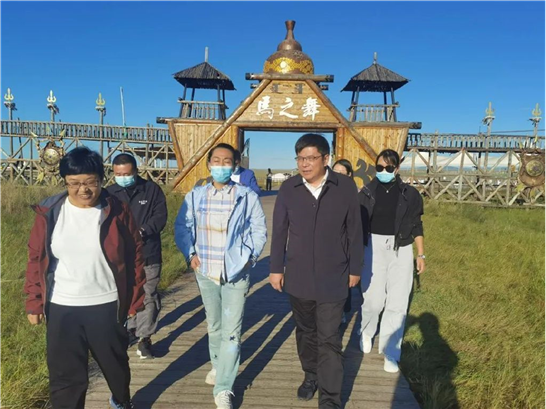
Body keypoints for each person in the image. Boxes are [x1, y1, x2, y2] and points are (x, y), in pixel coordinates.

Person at [24, 147, 146, 409]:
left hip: (106, 304)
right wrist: (34, 302)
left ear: (101, 179)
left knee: (116, 367)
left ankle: (121, 400)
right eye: (74, 183)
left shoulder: (117, 210)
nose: (83, 190)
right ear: (65, 182)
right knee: (65, 376)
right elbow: (36, 258)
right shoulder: (50, 212)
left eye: (91, 182)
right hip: (62, 306)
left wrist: (135, 299)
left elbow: (135, 255)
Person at [269, 134, 364, 409]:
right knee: (305, 331)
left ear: (326, 158)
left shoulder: (345, 187)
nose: (304, 164)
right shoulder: (289, 188)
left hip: (334, 275)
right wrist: (276, 268)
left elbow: (355, 230)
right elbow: (279, 231)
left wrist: (355, 268)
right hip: (298, 275)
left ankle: (330, 398)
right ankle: (311, 375)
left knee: (329, 338)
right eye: (300, 158)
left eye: (311, 158)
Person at [175, 143, 267, 409]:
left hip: (236, 272)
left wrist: (250, 257)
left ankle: (224, 387)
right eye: (216, 160)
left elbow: (259, 229)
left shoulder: (246, 196)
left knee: (232, 331)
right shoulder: (195, 196)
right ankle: (218, 365)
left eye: (227, 161)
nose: (221, 165)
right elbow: (182, 226)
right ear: (209, 164)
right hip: (205, 270)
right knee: (214, 325)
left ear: (235, 165)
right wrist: (189, 253)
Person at [358, 149, 426, 373]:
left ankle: (390, 351)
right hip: (372, 246)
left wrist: (421, 254)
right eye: (379, 167)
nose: (383, 171)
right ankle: (366, 331)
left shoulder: (410, 194)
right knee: (373, 299)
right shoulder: (366, 192)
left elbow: (416, 224)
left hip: (401, 247)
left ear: (397, 169)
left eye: (388, 168)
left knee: (397, 302)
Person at [107, 153, 168, 359]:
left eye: (127, 174)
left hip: (148, 253)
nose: (123, 177)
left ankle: (144, 337)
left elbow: (160, 217)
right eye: (118, 174)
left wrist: (141, 232)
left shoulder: (152, 190)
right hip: (119, 256)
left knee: (148, 294)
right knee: (123, 295)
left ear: (135, 171)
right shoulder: (109, 193)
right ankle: (129, 329)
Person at [332, 159, 357, 325]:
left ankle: (342, 310)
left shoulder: (354, 193)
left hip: (345, 245)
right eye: (335, 172)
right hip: (327, 244)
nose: (337, 176)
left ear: (349, 175)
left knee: (343, 280)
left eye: (342, 173)